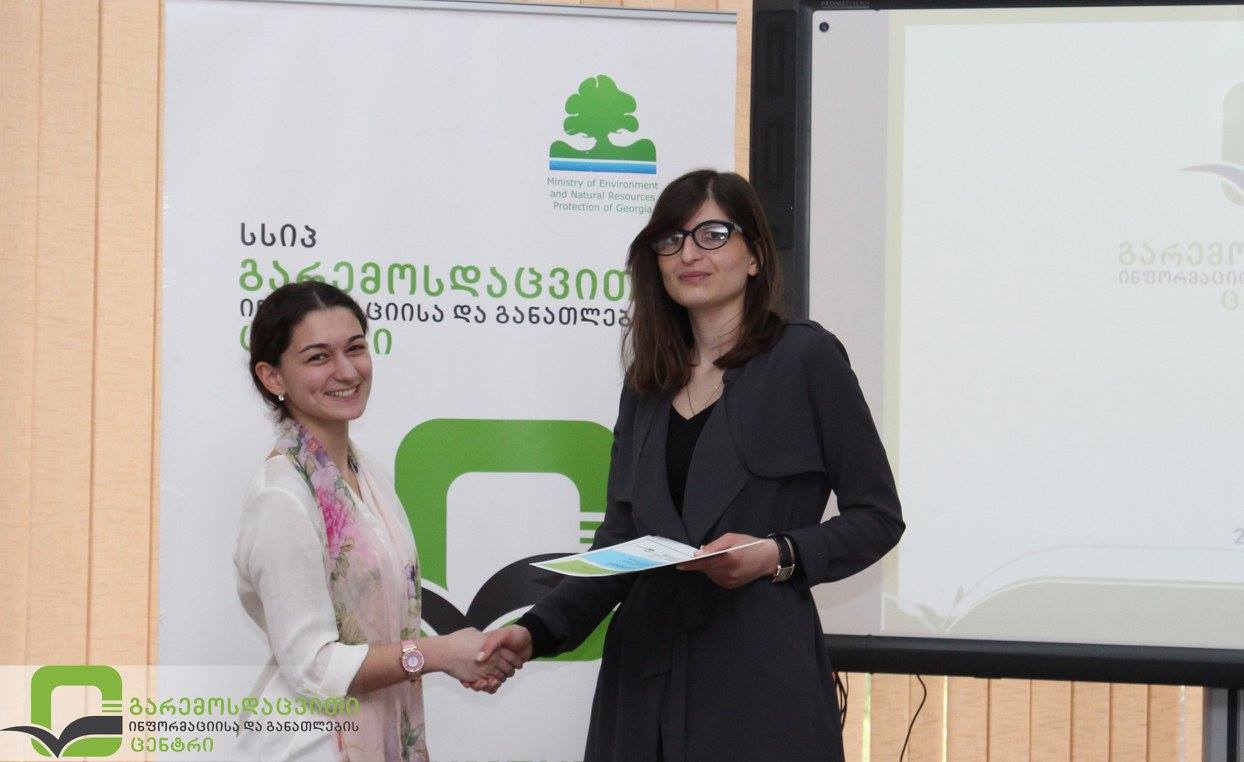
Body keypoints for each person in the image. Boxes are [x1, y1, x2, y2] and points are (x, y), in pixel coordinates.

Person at [476, 169, 905, 761]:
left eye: (713, 234)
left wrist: (776, 554)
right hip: (643, 673)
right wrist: (534, 631)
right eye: (671, 239)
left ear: (755, 255)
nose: (689, 254)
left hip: (757, 670)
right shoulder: (647, 383)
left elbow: (878, 518)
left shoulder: (806, 358)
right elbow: (620, 544)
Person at [236, 281, 521, 761]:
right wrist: (437, 654)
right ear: (272, 377)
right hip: (311, 744)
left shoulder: (363, 472)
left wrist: (462, 655)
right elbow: (314, 667)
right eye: (318, 357)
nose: (347, 371)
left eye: (355, 348)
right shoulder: (281, 496)